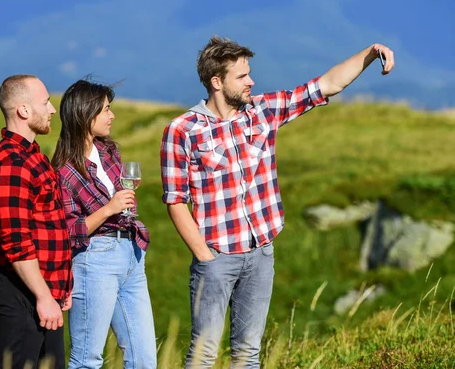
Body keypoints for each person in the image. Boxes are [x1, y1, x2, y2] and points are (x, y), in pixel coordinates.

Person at [160, 36, 395, 368]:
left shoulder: (262, 111)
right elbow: (175, 201)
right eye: (242, 76)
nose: (251, 81)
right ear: (217, 82)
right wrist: (205, 256)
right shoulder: (182, 131)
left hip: (261, 253)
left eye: (249, 73)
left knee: (248, 353)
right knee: (204, 353)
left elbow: (326, 84)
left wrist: (371, 54)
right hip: (216, 258)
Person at [52, 80, 157, 369]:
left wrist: (124, 205)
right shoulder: (64, 170)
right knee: (87, 358)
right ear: (86, 115)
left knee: (144, 359)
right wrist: (109, 208)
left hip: (132, 255)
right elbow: (71, 230)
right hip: (94, 260)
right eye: (106, 110)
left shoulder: (110, 151)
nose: (112, 116)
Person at [0, 74, 72, 369]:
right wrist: (44, 296)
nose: (51, 110)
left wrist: (60, 289)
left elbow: (49, 226)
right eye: (45, 102)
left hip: (43, 293)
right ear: (23, 110)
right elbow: (16, 242)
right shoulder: (12, 164)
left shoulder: (32, 156)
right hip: (24, 294)